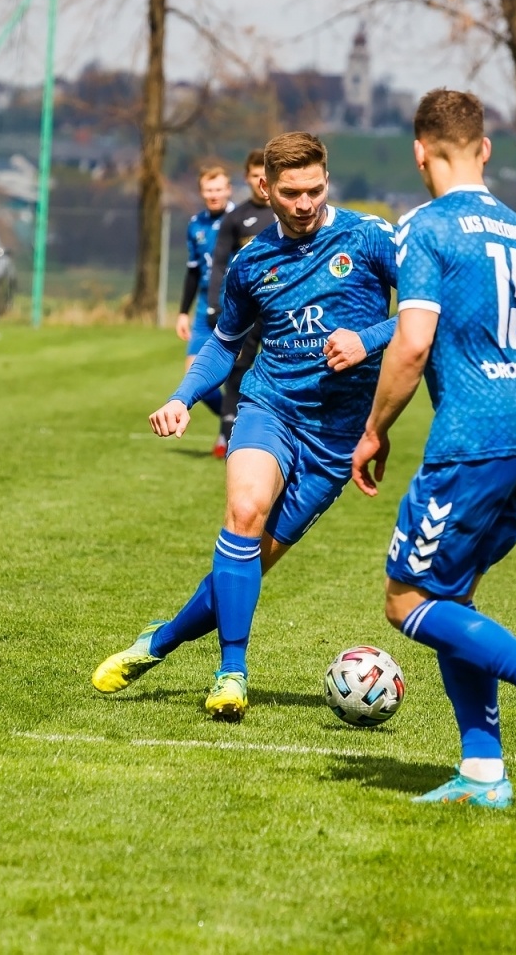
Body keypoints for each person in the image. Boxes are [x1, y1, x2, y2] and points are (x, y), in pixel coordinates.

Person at [351, 88, 516, 808]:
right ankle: (483, 772)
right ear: (486, 150)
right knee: (453, 594)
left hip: (469, 436)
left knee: (407, 601)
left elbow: (413, 343)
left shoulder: (424, 230)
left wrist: (374, 430)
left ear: (419, 151)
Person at [92, 132, 397, 721]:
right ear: (267, 188)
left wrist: (368, 339)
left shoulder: (368, 237)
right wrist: (183, 397)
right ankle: (232, 673)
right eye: (291, 193)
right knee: (244, 512)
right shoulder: (252, 261)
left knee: (246, 566)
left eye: (315, 189)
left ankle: (156, 642)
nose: (305, 203)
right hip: (270, 407)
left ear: (326, 181)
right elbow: (225, 345)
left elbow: (420, 312)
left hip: (336, 438)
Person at [206, 148, 278, 458]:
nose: (260, 179)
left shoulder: (286, 212)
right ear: (247, 178)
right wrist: (214, 305)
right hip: (248, 307)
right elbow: (220, 263)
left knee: (281, 368)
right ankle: (226, 436)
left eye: (265, 173)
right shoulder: (236, 218)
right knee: (237, 371)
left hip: (281, 307)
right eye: (254, 174)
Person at [176, 164, 234, 438]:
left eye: (219, 189)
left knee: (236, 374)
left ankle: (232, 427)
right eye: (209, 190)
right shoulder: (196, 224)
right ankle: (232, 420)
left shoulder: (240, 219)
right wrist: (182, 312)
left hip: (235, 306)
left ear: (228, 190)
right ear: (201, 192)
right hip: (202, 308)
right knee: (194, 377)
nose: (214, 195)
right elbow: (192, 270)